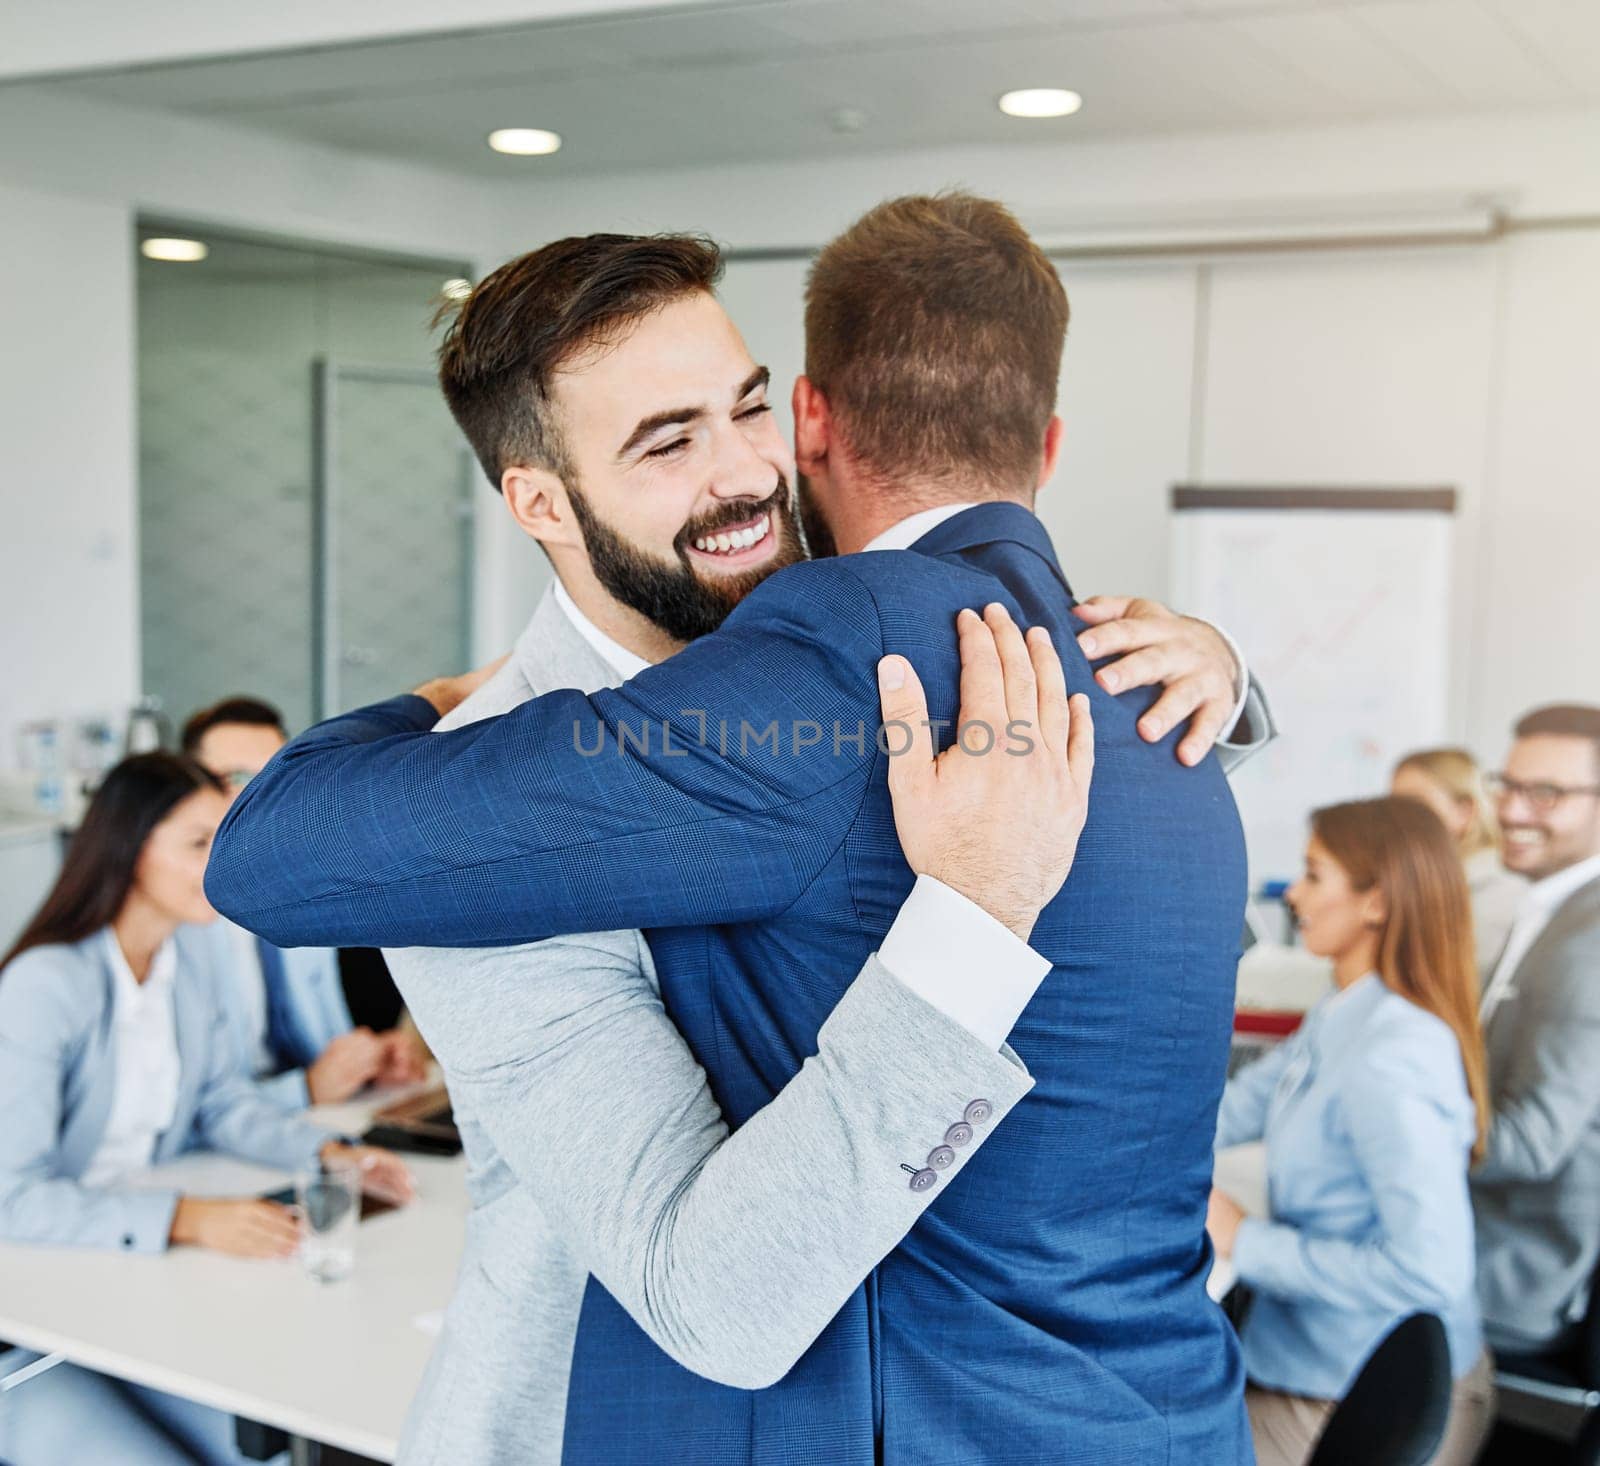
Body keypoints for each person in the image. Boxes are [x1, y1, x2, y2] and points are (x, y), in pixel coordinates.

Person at [208, 196, 1267, 1464]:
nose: (746, 473)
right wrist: (436, 706)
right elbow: (713, 1293)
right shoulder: (454, 830)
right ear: (543, 502)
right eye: (667, 443)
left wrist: (1226, 680)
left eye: (747, 407)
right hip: (597, 1419)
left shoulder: (865, 649)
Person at [0, 753, 412, 1466]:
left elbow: (221, 1102)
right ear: (129, 851)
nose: (222, 863)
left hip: (126, 1288)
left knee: (270, 1448)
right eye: (198, 844)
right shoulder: (47, 985)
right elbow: (11, 1196)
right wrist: (189, 1219)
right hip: (31, 1324)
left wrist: (320, 1157)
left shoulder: (189, 960)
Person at [1209, 797, 1493, 1466]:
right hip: (1304, 1354)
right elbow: (1235, 1109)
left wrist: (1244, 1238)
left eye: (1313, 875)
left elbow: (1429, 1271)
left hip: (1355, 1391)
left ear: (1376, 902)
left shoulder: (1394, 1053)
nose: (1296, 895)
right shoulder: (1344, 1012)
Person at [182, 696, 426, 1106]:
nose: (257, 801)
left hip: (321, 1120)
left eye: (274, 779)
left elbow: (328, 1036)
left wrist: (376, 1059)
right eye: (235, 778)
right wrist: (307, 1089)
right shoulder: (181, 920)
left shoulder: (300, 892)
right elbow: (195, 1107)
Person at [1472, 704, 1600, 1362]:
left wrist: (1386, 1125)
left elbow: (1532, 1141)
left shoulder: (1589, 940)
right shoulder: (1552, 905)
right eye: (1509, 785)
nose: (1514, 811)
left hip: (1509, 1274)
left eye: (1546, 793)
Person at [1393, 746, 1526, 981]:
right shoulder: (1430, 880)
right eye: (1393, 805)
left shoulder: (1496, 891)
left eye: (1414, 803)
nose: (1396, 818)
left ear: (1465, 811)